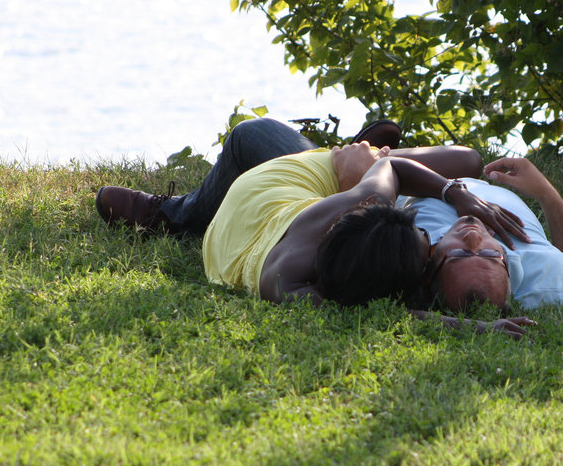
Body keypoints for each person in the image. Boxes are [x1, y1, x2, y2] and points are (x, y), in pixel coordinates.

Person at [96, 117, 532, 334]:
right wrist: (475, 326)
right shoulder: (286, 284)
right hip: (264, 208)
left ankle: (177, 213)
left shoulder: (286, 278)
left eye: (423, 240)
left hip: (276, 188)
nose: (431, 237)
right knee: (467, 160)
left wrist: (456, 193)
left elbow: (379, 311)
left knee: (252, 134)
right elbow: (384, 313)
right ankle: (362, 154)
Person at [404, 156, 563, 313]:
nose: (473, 237)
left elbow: (395, 171)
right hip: (466, 178)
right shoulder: (547, 277)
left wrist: (375, 166)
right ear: (508, 269)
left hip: (414, 180)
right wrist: (545, 192)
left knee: (468, 158)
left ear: (429, 272)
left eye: (459, 254)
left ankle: (375, 148)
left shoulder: (407, 249)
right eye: (490, 256)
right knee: (471, 160)